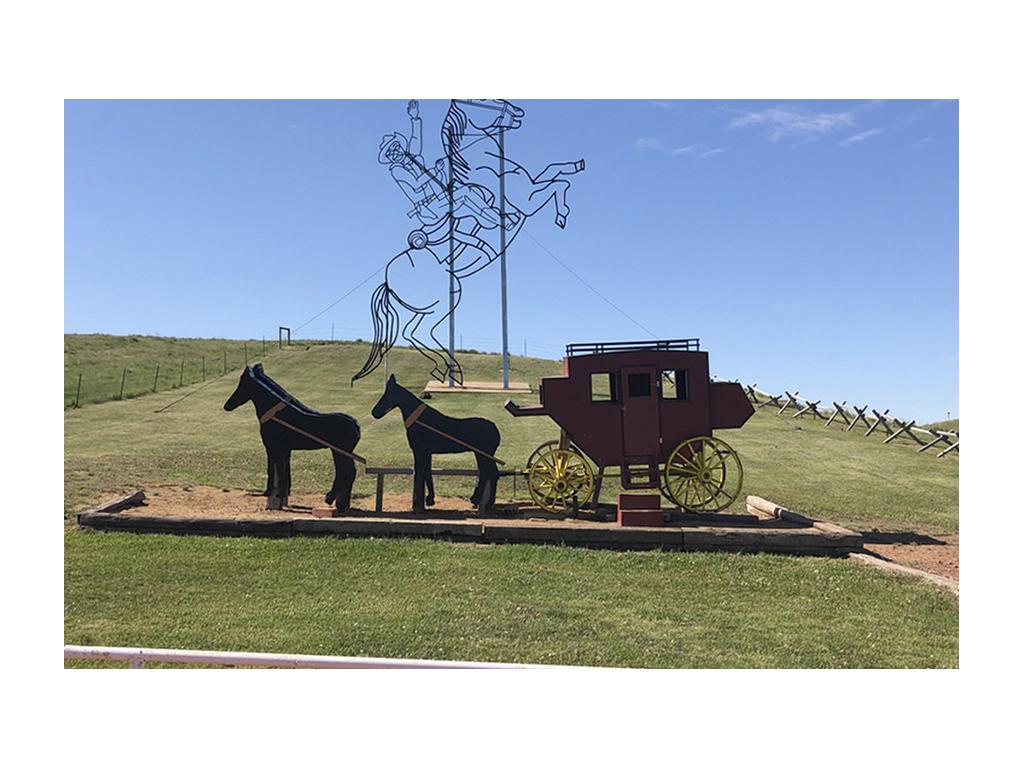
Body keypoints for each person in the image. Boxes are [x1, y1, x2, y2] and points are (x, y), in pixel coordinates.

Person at [379, 100, 506, 229]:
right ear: (389, 158)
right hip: (429, 208)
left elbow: (415, 139)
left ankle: (491, 219)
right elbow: (416, 184)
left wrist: (415, 118)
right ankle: (501, 222)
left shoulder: (412, 157)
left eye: (396, 147)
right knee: (465, 193)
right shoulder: (397, 170)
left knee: (467, 190)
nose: (396, 152)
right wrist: (436, 170)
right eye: (391, 153)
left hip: (440, 197)